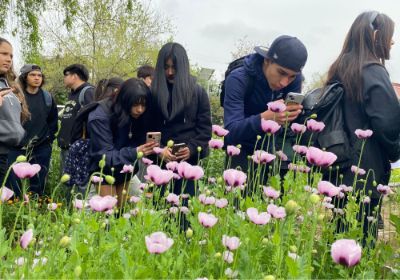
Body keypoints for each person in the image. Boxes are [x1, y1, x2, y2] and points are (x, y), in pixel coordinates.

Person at [325, 11, 400, 244]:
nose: (392, 42)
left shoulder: (340, 68)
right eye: (390, 36)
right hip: (364, 167)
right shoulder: (372, 71)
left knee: (341, 231)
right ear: (375, 34)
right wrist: (395, 150)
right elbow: (387, 123)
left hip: (338, 161)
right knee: (361, 239)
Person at [223, 35, 307, 178]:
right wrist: (264, 118)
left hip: (272, 150)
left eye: (292, 76)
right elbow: (230, 133)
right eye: (281, 73)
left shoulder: (294, 79)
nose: (284, 83)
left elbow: (286, 125)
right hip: (239, 150)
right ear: (267, 61)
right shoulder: (239, 79)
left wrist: (292, 116)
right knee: (236, 197)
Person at [150, 42, 212, 198]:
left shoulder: (197, 93)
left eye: (174, 67)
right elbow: (145, 129)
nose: (170, 72)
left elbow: (204, 131)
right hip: (160, 165)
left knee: (184, 213)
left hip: (187, 165)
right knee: (159, 211)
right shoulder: (153, 94)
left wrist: (191, 149)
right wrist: (159, 150)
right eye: (166, 67)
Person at [87, 78, 158, 207]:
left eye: (143, 105)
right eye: (135, 105)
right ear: (125, 100)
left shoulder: (139, 116)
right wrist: (135, 152)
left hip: (125, 169)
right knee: (108, 213)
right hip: (104, 169)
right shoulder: (99, 116)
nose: (140, 110)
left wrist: (159, 150)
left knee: (119, 213)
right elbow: (105, 155)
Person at [6, 64, 58, 196]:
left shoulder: (47, 98)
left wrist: (47, 140)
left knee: (38, 184)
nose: (37, 78)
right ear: (24, 77)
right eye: (32, 75)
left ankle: (36, 207)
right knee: (12, 184)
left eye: (39, 75)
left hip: (41, 147)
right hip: (16, 147)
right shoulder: (15, 96)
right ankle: (14, 207)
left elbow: (53, 121)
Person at [0, 37, 29, 187]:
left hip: (8, 151)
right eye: (4, 53)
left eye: (11, 55)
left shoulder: (9, 85)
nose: (8, 59)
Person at [58, 64, 95, 173]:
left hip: (78, 150)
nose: (64, 78)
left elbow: (93, 120)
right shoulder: (72, 94)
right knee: (67, 184)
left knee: (79, 186)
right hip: (66, 147)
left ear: (74, 76)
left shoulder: (88, 92)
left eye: (66, 75)